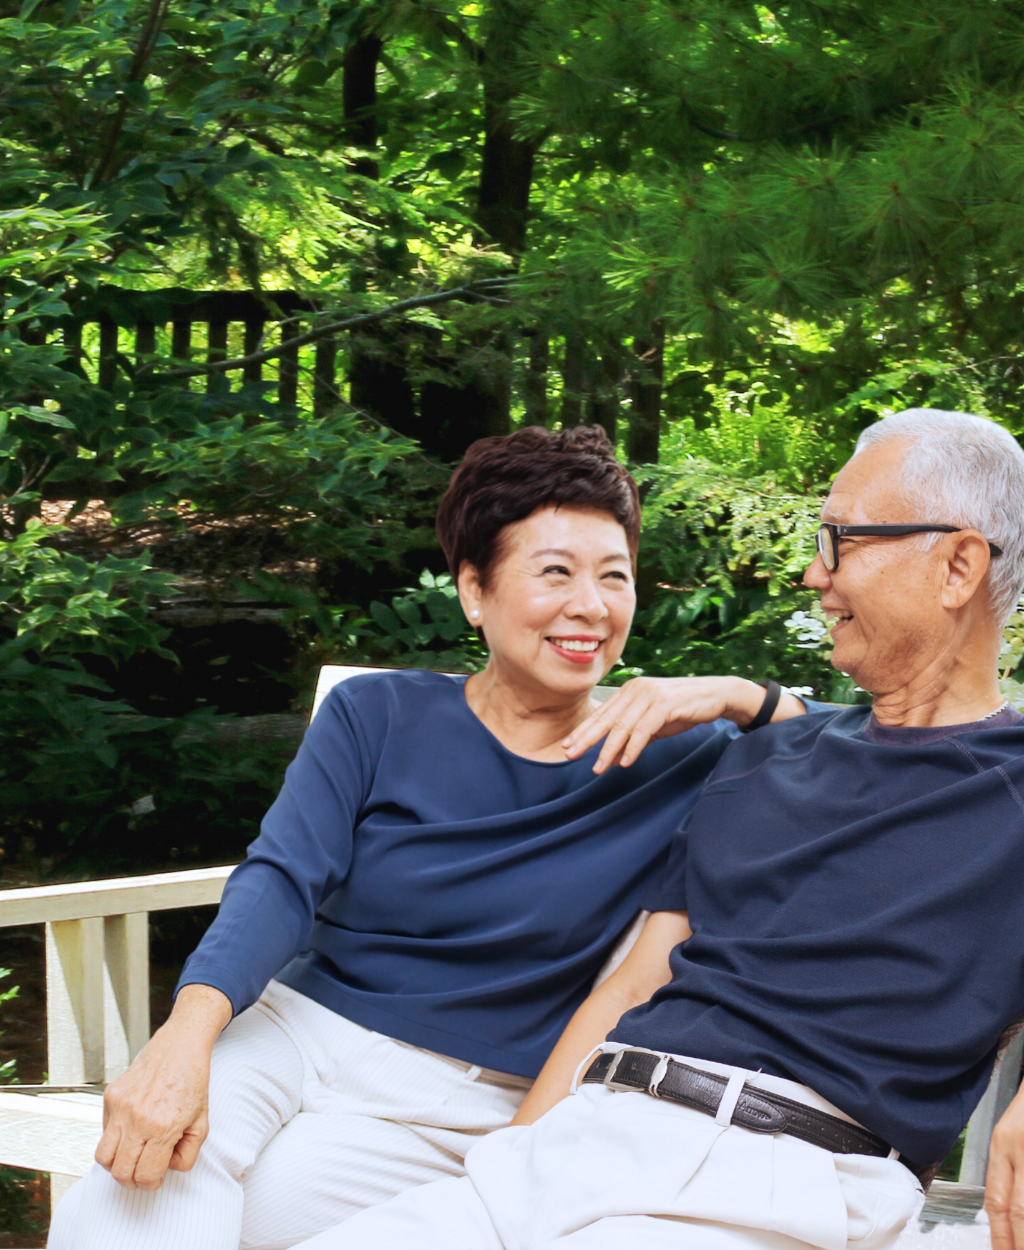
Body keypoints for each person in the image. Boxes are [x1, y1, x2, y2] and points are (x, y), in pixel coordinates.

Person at [296, 408, 1024, 1250]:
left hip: (766, 1171)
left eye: (840, 541)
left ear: (958, 567)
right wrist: (506, 1170)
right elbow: (631, 988)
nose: (815, 573)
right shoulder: (769, 759)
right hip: (578, 1143)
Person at [48, 425, 813, 1250]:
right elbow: (280, 876)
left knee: (262, 1217)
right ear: (474, 591)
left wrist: (736, 695)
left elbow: (860, 748)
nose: (589, 605)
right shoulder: (377, 713)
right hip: (293, 1032)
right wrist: (182, 1040)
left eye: (614, 577)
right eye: (554, 572)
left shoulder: (674, 754)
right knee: (151, 1169)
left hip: (466, 1103)